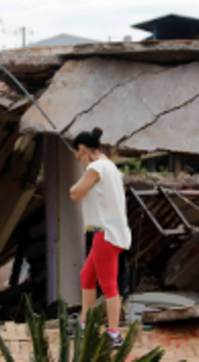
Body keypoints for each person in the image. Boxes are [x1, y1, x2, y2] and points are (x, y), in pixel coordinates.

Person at [69, 127, 131, 348]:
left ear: (84, 149)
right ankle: (84, 323)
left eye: (77, 152)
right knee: (87, 276)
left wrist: (84, 172)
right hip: (112, 233)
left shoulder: (96, 167)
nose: (77, 157)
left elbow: (75, 193)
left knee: (108, 285)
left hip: (103, 233)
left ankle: (114, 334)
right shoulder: (111, 167)